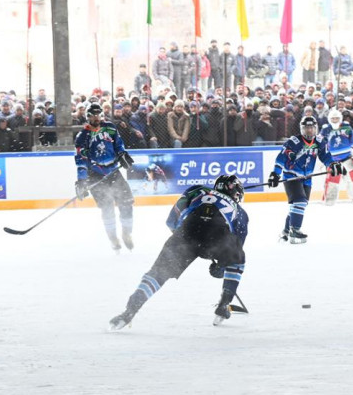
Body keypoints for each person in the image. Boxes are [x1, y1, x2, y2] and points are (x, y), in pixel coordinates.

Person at [109, 175, 248, 329]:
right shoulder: (241, 212)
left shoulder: (197, 190)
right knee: (238, 261)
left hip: (187, 231)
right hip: (218, 235)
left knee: (157, 274)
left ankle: (129, 311)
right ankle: (224, 304)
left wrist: (182, 241)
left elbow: (171, 220)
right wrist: (221, 266)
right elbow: (236, 247)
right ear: (237, 193)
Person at [268, 116, 344, 244]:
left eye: (312, 128)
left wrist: (333, 165)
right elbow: (281, 159)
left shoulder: (320, 141)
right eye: (307, 128)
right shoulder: (293, 142)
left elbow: (326, 157)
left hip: (307, 179)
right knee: (300, 201)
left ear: (316, 128)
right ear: (302, 129)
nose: (309, 131)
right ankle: (295, 230)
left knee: (296, 206)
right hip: (291, 176)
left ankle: (286, 232)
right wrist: (275, 174)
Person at [75, 103, 136, 251]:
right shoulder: (82, 136)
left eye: (98, 114)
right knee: (107, 208)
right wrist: (82, 180)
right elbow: (81, 159)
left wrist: (122, 154)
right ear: (88, 117)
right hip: (95, 175)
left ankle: (126, 234)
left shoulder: (110, 127)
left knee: (126, 203)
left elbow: (118, 145)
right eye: (93, 115)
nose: (96, 118)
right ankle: (113, 238)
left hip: (114, 171)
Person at [320, 109, 353, 205]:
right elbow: (320, 144)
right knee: (332, 182)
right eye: (333, 118)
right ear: (329, 119)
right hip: (333, 161)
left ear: (340, 118)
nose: (335, 120)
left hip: (348, 158)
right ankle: (329, 201)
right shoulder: (325, 129)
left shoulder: (346, 127)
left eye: (337, 118)